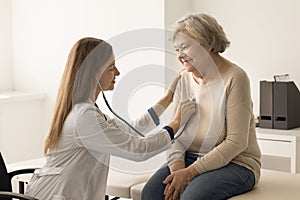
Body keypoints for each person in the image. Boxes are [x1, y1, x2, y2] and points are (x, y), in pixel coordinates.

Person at [25, 37, 197, 200]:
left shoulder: (87, 110)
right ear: (94, 73)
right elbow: (139, 150)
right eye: (111, 67)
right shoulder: (84, 116)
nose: (118, 72)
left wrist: (167, 99)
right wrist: (176, 122)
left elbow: (131, 130)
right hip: (54, 194)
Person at [142, 13, 261, 200]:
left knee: (191, 197)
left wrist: (190, 173)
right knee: (151, 194)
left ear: (209, 43)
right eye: (177, 49)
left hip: (236, 163)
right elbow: (176, 135)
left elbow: (236, 142)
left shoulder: (235, 78)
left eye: (186, 47)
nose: (180, 55)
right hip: (190, 159)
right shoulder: (184, 79)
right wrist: (179, 171)